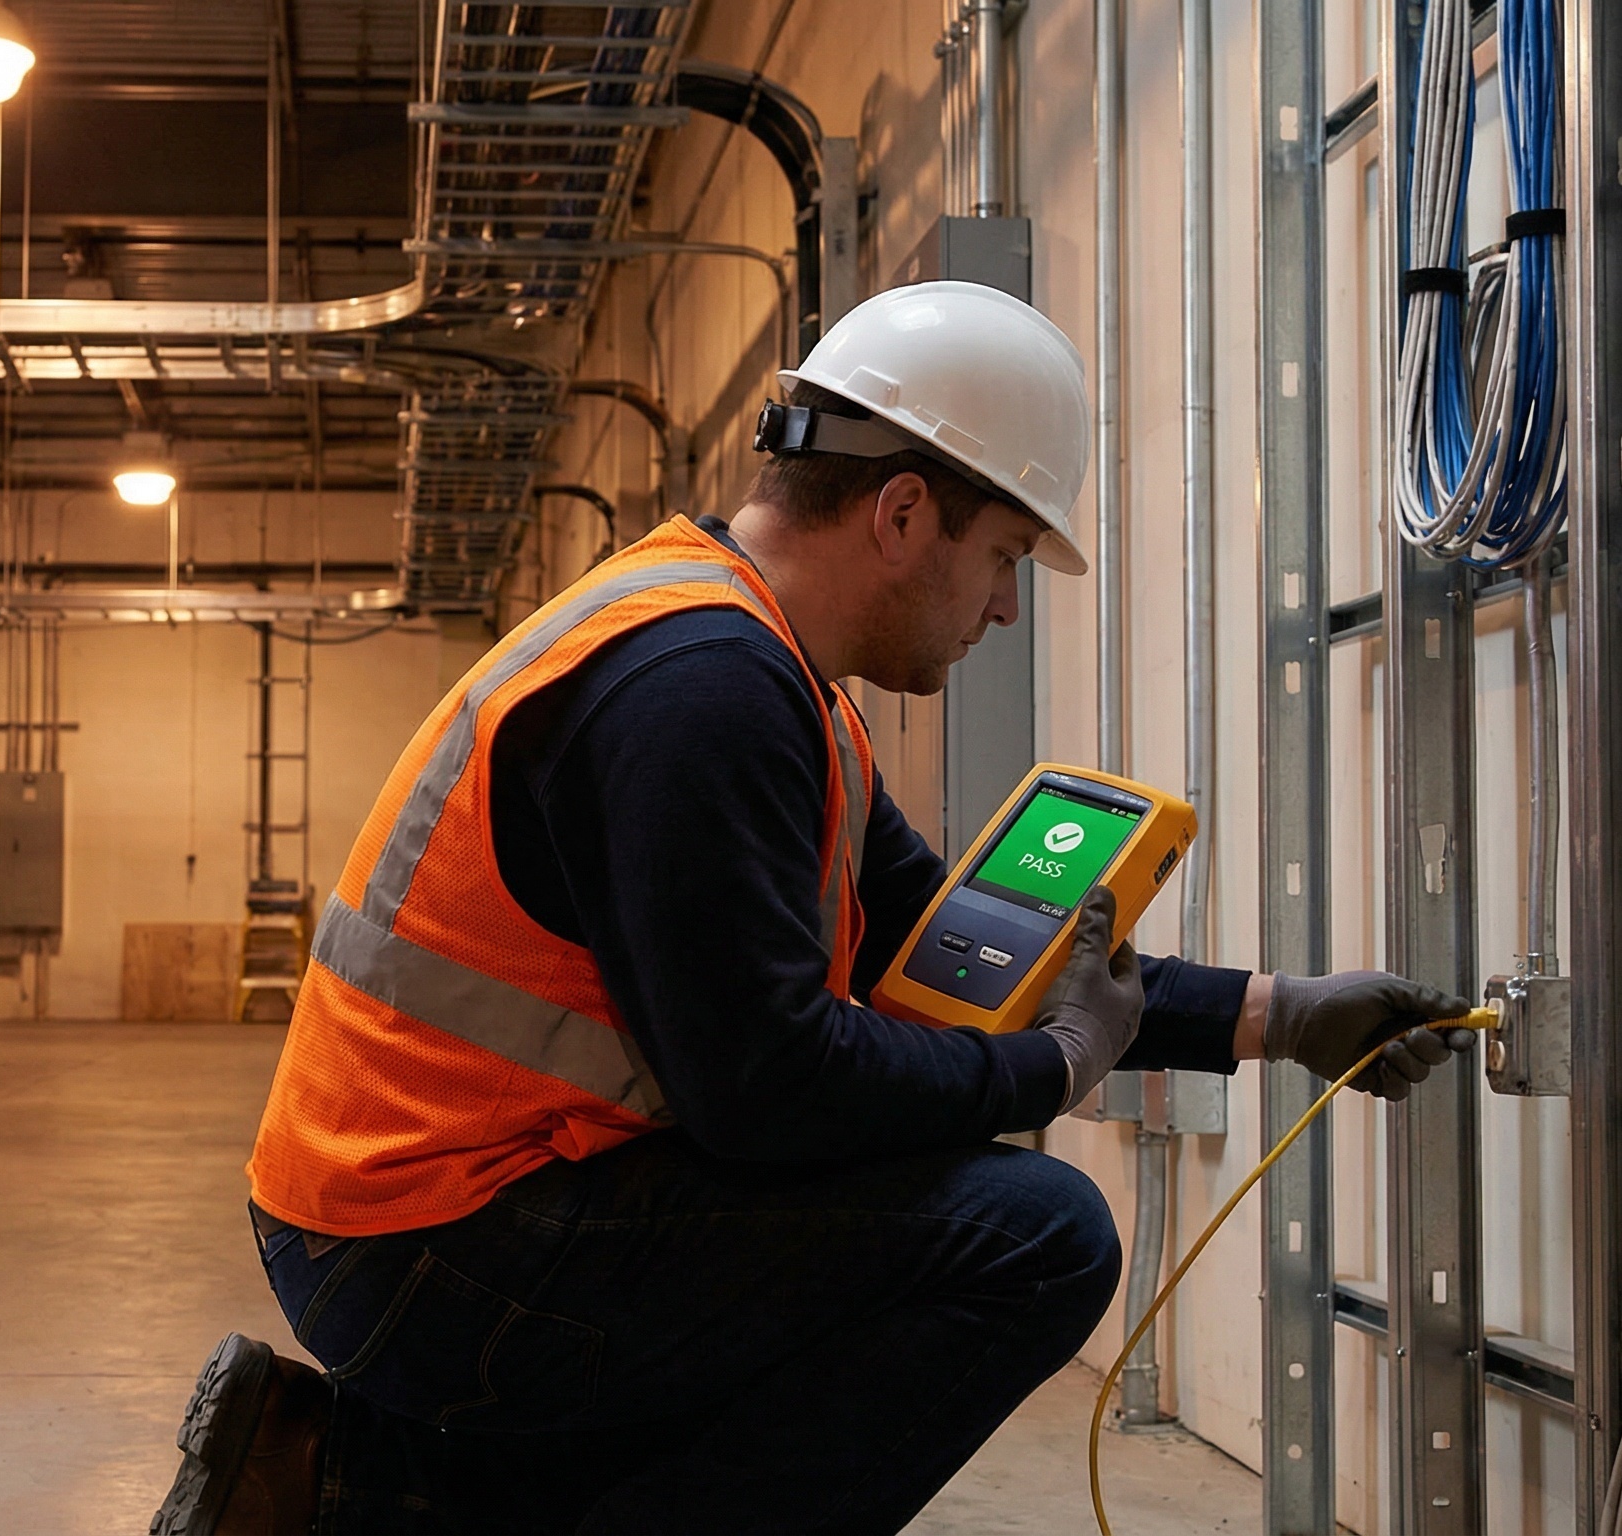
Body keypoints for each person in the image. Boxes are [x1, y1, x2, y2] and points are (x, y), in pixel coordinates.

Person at [145, 282, 1472, 1536]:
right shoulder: (701, 690)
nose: (1007, 607)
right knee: (1030, 1238)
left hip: (435, 1209)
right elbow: (771, 1093)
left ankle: (347, 1487)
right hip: (430, 1247)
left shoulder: (765, 666)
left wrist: (1280, 1017)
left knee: (883, 1218)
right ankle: (374, 1483)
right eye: (1004, 554)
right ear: (901, 515)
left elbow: (936, 940)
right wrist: (1049, 1070)